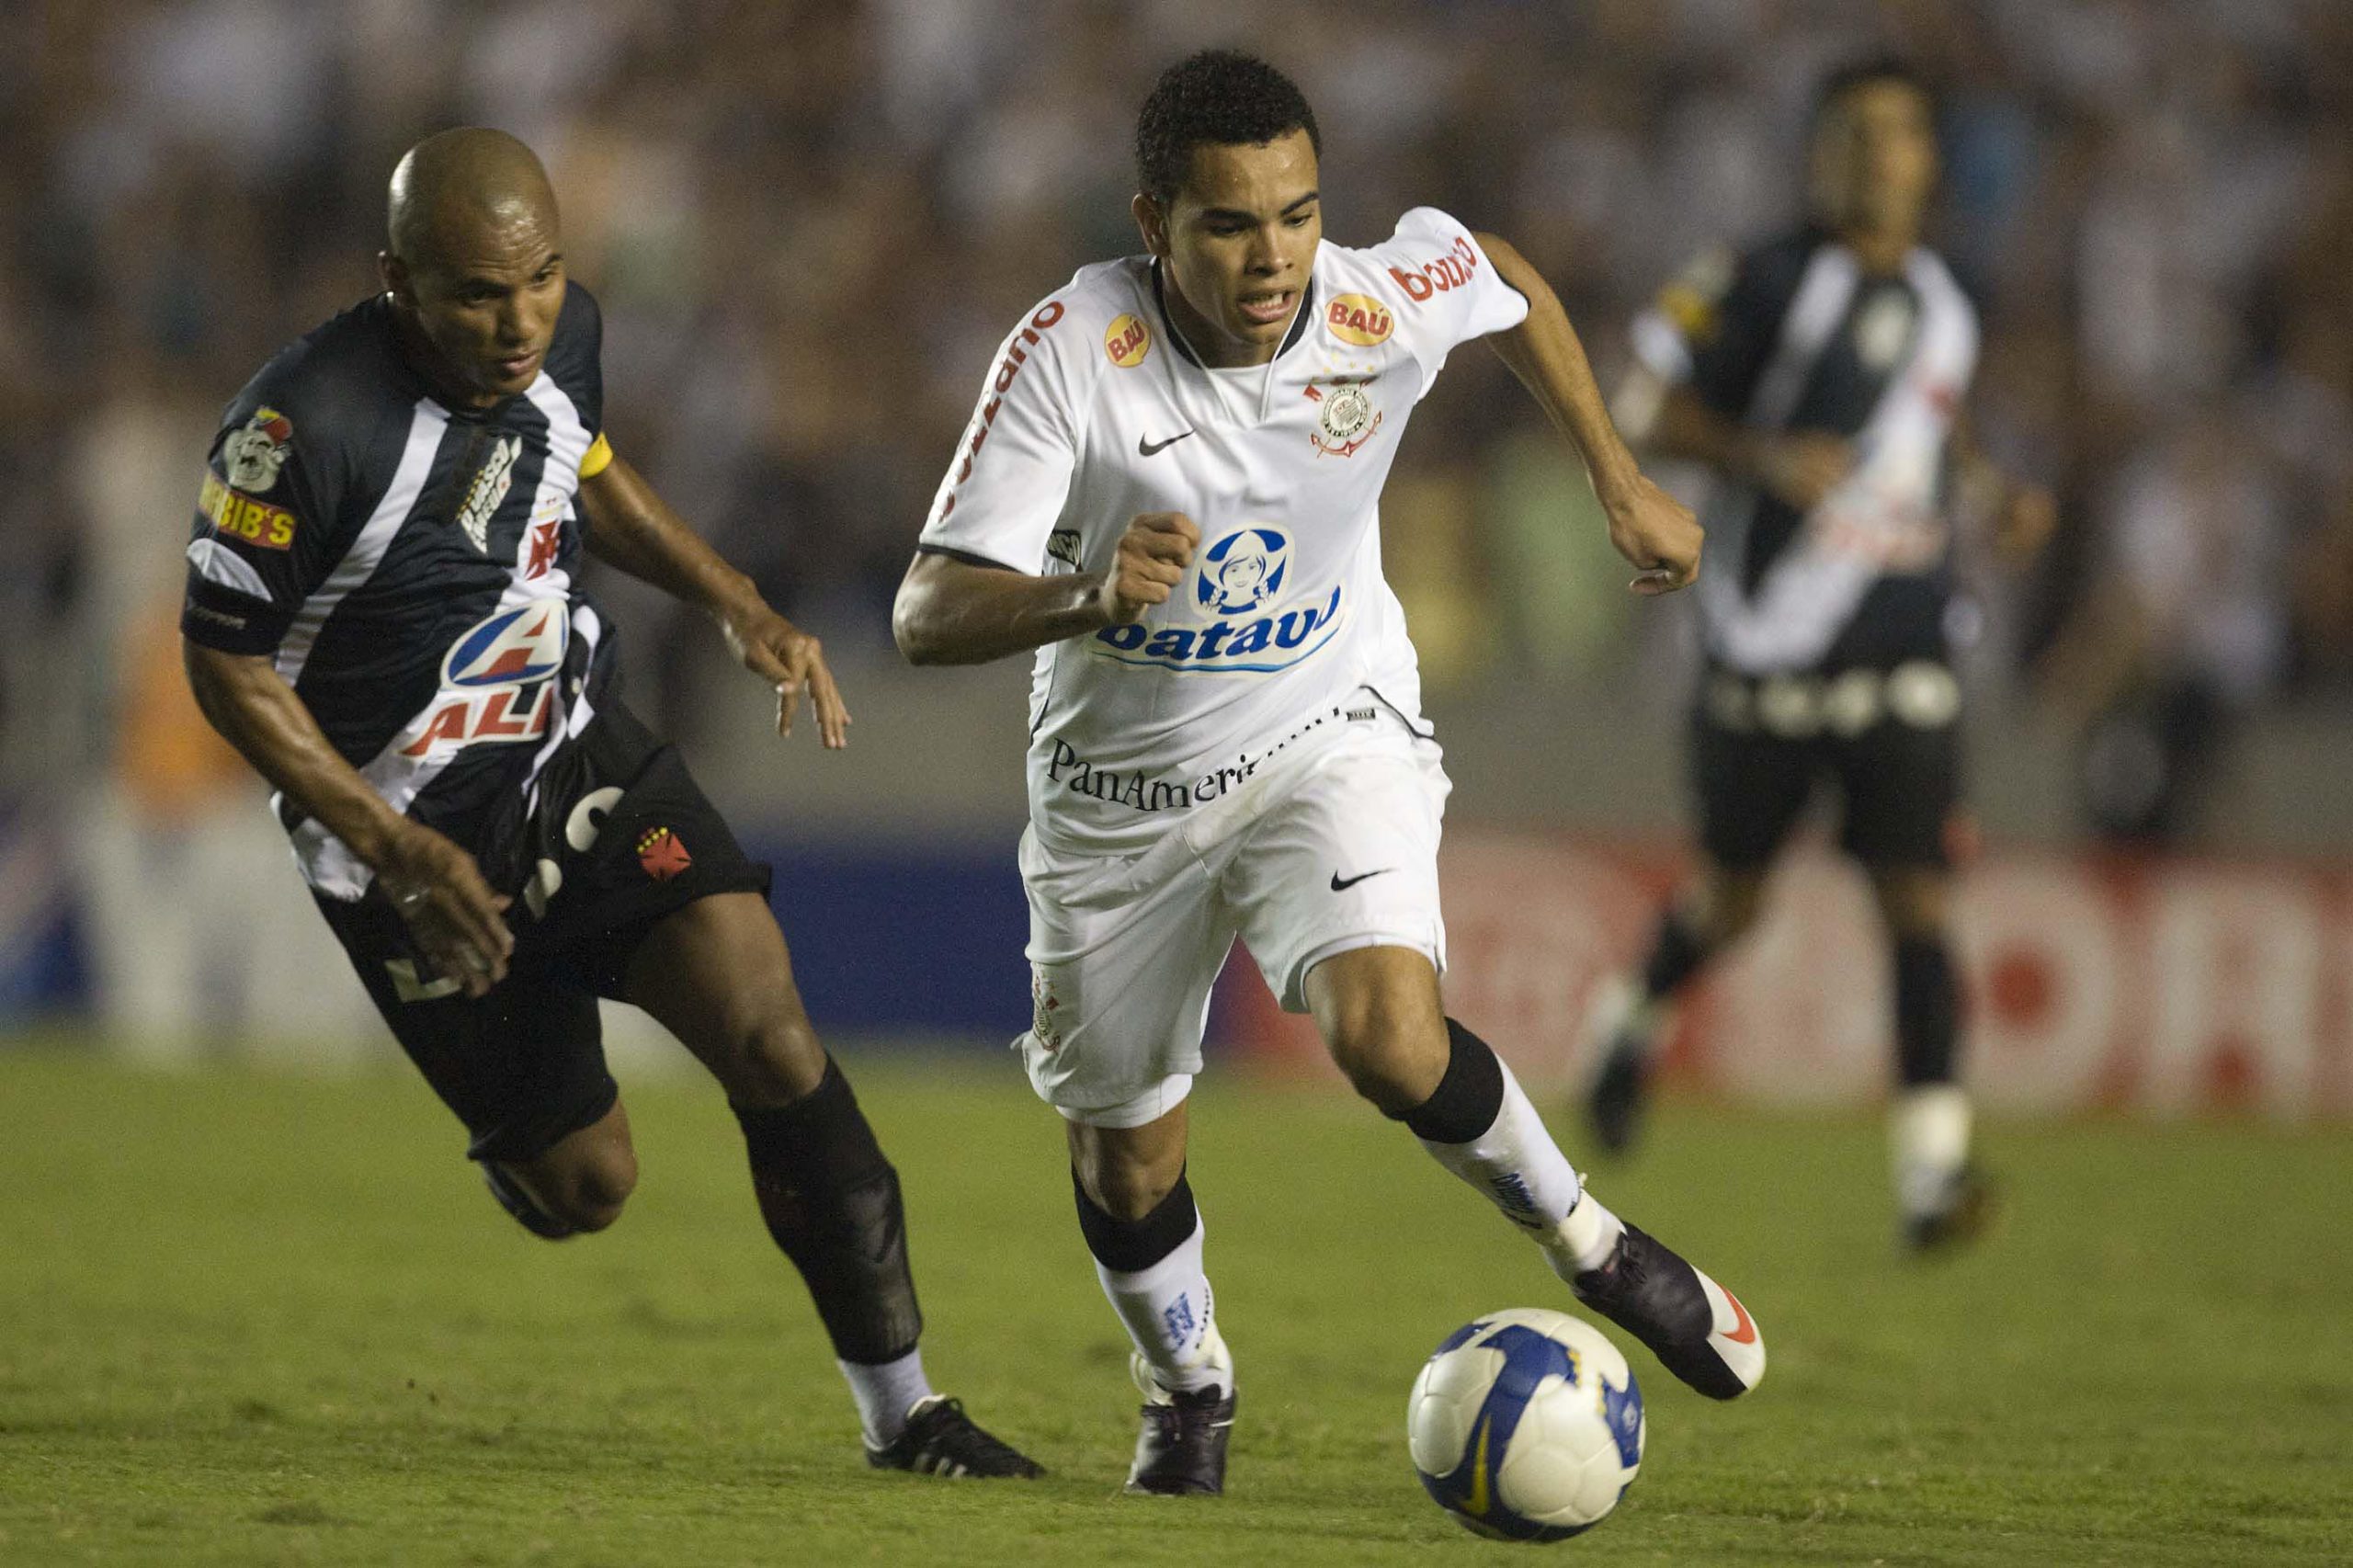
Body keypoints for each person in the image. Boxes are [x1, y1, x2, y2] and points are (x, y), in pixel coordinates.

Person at [892, 51, 1764, 1503]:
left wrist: (1616, 480)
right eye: (1231, 224)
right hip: (1120, 799)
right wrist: (1086, 595)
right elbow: (926, 611)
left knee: (1391, 1038)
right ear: (1152, 223)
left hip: (1326, 727)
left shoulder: (1371, 301)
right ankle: (1189, 1385)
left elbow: (1502, 276)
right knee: (1126, 1165)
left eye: (1297, 214)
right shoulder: (1068, 353)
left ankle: (1598, 1246)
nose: (1275, 257)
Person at [177, 128, 1039, 1479]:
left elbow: (582, 462)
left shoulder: (561, 334)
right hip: (407, 840)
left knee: (772, 1035)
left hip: (576, 752)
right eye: (479, 295)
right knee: (589, 1187)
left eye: (541, 279)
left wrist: (733, 597)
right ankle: (527, 1140)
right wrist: (387, 841)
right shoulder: (299, 429)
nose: (521, 320)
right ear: (396, 281)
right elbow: (222, 662)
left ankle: (906, 1415)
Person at [1590, 58, 2055, 1250]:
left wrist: (1993, 494)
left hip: (1904, 645)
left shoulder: (1949, 298)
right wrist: (1761, 455)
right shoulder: (1751, 277)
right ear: (1816, 154)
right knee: (1732, 897)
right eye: (1851, 133)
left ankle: (1932, 1174)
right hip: (1767, 646)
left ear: (1930, 159)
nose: (1873, 155)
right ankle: (1630, 1025)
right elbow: (1641, 407)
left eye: (1897, 133)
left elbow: (1933, 421)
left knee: (1919, 903)